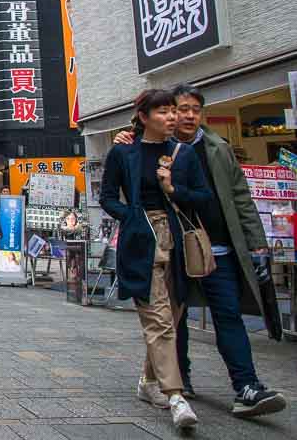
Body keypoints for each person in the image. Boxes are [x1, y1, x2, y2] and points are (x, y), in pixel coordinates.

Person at [114, 84, 287, 418]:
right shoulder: (141, 148)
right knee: (171, 320)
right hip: (171, 248)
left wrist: (257, 244)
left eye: (195, 108)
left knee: (228, 316)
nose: (188, 115)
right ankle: (177, 381)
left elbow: (240, 198)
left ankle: (246, 386)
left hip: (216, 249)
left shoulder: (216, 148)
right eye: (180, 108)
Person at [100, 89, 212, 430]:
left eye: (173, 111)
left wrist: (174, 191)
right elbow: (107, 197)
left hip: (176, 240)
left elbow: (204, 196)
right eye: (163, 112)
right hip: (140, 242)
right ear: (144, 117)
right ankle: (176, 397)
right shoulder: (123, 151)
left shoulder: (184, 154)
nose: (172, 117)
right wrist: (130, 216)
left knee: (172, 317)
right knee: (160, 321)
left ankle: (148, 382)